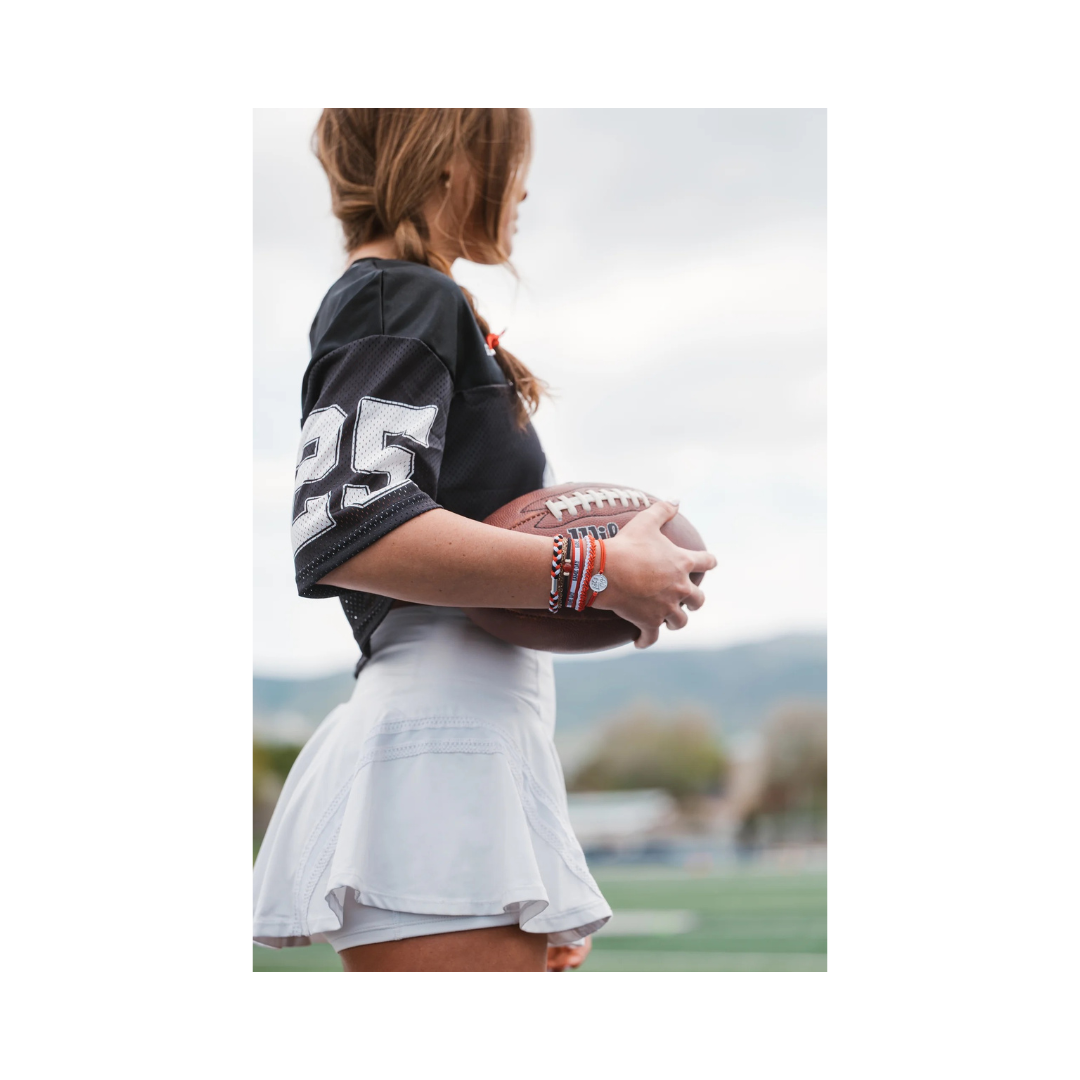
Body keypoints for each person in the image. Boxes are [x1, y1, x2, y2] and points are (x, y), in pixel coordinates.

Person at [252, 108, 716, 972]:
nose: (525, 186)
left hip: (469, 749)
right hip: (442, 748)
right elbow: (351, 530)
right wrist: (597, 569)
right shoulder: (398, 294)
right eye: (511, 159)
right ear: (451, 157)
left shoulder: (409, 299)